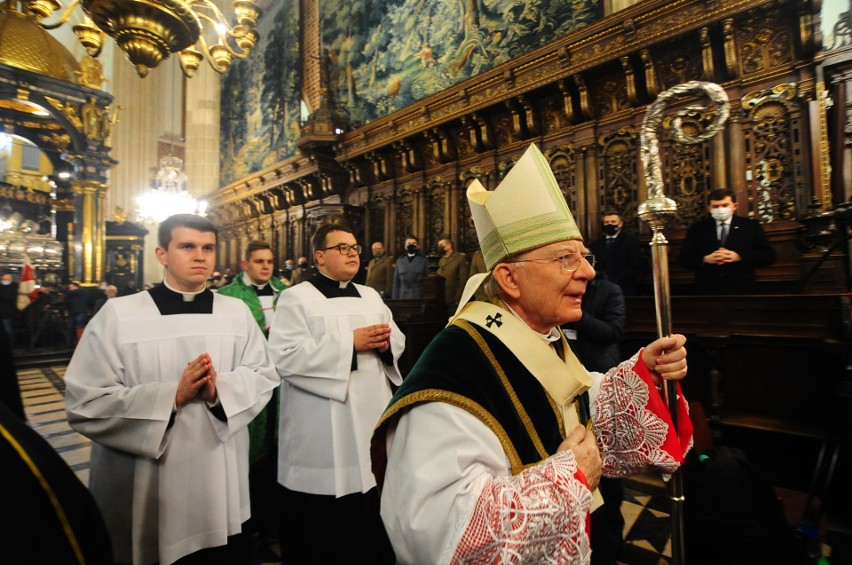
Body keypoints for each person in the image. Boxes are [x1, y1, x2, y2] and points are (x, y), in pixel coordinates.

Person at [371, 144, 692, 564]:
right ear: (509, 279)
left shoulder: (538, 335)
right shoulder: (451, 377)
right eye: (565, 258)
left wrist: (644, 374)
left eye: (585, 256)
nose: (589, 272)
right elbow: (436, 534)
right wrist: (567, 481)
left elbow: (574, 404)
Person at [64, 214, 279, 565]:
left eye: (208, 248)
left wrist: (217, 393)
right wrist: (171, 397)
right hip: (148, 481)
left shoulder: (236, 313)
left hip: (218, 475)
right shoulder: (119, 315)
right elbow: (85, 402)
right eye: (188, 247)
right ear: (162, 254)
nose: (200, 256)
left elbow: (263, 375)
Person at [268, 223, 405, 564]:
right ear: (320, 256)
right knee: (324, 520)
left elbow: (397, 340)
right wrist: (349, 344)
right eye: (342, 248)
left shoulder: (371, 295)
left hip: (371, 411)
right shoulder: (296, 298)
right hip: (322, 423)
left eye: (355, 247)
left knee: (370, 498)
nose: (353, 254)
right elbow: (284, 355)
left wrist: (388, 345)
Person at [217, 240, 286, 549]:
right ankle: (249, 525)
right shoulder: (228, 297)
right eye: (259, 261)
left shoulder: (287, 294)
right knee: (249, 454)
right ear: (245, 264)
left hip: (285, 384)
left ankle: (274, 523)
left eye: (269, 261)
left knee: (279, 453)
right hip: (248, 383)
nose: (266, 266)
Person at [562, 275, 628, 557]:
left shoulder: (610, 290)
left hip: (597, 375)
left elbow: (612, 331)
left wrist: (577, 316)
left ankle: (612, 543)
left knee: (608, 486)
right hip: (566, 381)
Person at [677, 188, 776, 294]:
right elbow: (683, 258)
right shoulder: (697, 228)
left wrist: (740, 257)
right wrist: (705, 259)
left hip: (742, 290)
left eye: (725, 205)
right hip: (707, 291)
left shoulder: (751, 226)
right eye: (715, 206)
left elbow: (768, 256)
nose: (720, 209)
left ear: (734, 206)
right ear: (709, 208)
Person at [588, 210, 642, 295]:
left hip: (623, 288)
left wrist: (613, 281)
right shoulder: (595, 245)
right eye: (606, 222)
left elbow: (634, 266)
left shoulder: (631, 242)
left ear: (620, 224)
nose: (609, 224)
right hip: (599, 288)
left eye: (613, 222)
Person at [436, 237, 468, 310]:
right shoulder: (441, 260)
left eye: (441, 245)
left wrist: (459, 297)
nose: (439, 247)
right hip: (442, 296)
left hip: (454, 297)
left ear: (449, 245)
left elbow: (463, 279)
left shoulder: (460, 258)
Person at [0, 273, 17, 346]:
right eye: (3, 279)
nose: (4, 280)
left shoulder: (13, 288)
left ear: (10, 280)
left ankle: (10, 344)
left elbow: (9, 297)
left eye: (6, 279)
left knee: (7, 329)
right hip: (2, 311)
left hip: (6, 312)